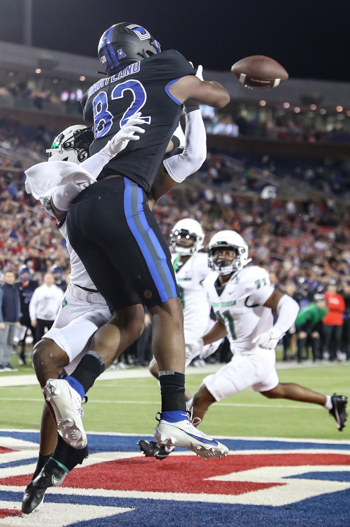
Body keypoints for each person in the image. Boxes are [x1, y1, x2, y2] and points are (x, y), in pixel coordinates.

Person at [52, 22, 230, 461]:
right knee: (168, 308)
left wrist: (178, 103)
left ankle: (72, 388)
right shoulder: (166, 65)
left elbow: (168, 156)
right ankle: (174, 414)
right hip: (121, 199)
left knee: (130, 316)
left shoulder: (94, 95)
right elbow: (219, 98)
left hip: (82, 209)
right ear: (143, 47)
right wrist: (197, 85)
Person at [178, 231, 347, 438]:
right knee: (274, 391)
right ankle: (331, 402)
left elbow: (288, 304)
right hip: (243, 354)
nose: (222, 257)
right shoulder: (211, 283)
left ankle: (170, 443)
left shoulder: (248, 280)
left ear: (240, 255)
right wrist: (201, 342)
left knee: (202, 396)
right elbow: (225, 321)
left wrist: (276, 332)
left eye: (228, 253)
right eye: (218, 253)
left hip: (256, 356)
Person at [148, 218, 212, 379]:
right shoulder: (170, 259)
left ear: (197, 240)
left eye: (188, 238)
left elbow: (222, 287)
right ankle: (186, 403)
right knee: (162, 372)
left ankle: (185, 403)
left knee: (161, 368)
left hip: (194, 324)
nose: (183, 241)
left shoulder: (202, 262)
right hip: (173, 323)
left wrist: (212, 329)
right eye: (180, 237)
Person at [0, 271, 20, 372]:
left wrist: (17, 319)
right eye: (8, 276)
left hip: (13, 320)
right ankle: (0, 364)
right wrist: (0, 320)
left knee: (10, 343)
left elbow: (17, 305)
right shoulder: (1, 290)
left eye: (12, 276)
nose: (10, 278)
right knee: (2, 342)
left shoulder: (15, 289)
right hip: (4, 321)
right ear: (5, 278)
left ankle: (7, 363)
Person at [28, 273, 64, 346]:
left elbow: (63, 305)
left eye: (50, 278)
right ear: (44, 279)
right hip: (40, 318)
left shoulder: (58, 291)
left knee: (53, 340)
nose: (49, 280)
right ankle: (37, 356)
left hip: (53, 319)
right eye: (47, 278)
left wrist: (61, 318)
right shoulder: (39, 290)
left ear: (53, 279)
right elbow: (33, 304)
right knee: (38, 340)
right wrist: (33, 318)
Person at [295, 293, 328, 362]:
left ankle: (316, 357)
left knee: (315, 337)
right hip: (300, 324)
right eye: (320, 302)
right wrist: (302, 331)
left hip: (310, 325)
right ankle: (299, 358)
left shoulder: (324, 310)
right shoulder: (312, 309)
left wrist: (315, 331)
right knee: (302, 338)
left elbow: (318, 321)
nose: (322, 304)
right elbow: (306, 321)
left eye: (324, 302)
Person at [17, 266, 39, 366]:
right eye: (23, 273)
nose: (25, 275)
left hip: (33, 315)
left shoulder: (34, 284)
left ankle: (34, 357)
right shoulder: (17, 285)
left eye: (26, 273)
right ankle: (21, 356)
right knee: (22, 338)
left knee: (36, 337)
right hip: (22, 315)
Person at [322, 280, 346, 361]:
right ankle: (325, 352)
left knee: (337, 338)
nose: (332, 288)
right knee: (327, 337)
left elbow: (342, 308)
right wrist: (334, 307)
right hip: (327, 320)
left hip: (338, 321)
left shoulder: (339, 296)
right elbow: (324, 306)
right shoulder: (324, 295)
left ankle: (334, 354)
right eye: (331, 286)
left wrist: (331, 307)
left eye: (334, 286)